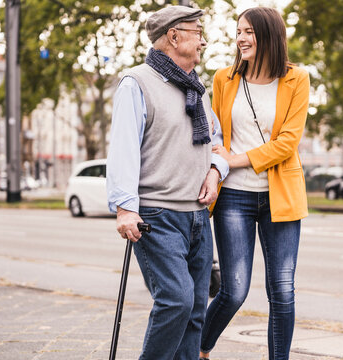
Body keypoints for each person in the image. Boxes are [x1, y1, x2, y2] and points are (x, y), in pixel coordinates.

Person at [106, 5, 228, 360]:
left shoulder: (196, 90)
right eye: (197, 32)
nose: (203, 40)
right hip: (157, 215)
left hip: (197, 217)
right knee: (176, 299)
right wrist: (125, 209)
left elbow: (217, 142)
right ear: (174, 37)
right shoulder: (137, 82)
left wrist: (215, 170)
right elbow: (124, 149)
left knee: (194, 311)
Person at [199, 7, 310, 360]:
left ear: (270, 37)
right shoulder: (223, 79)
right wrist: (219, 168)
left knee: (282, 290)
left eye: (249, 32)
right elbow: (216, 138)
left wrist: (236, 158)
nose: (241, 38)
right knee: (233, 290)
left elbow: (287, 143)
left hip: (281, 197)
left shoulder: (297, 79)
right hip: (234, 197)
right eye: (238, 31)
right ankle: (198, 349)